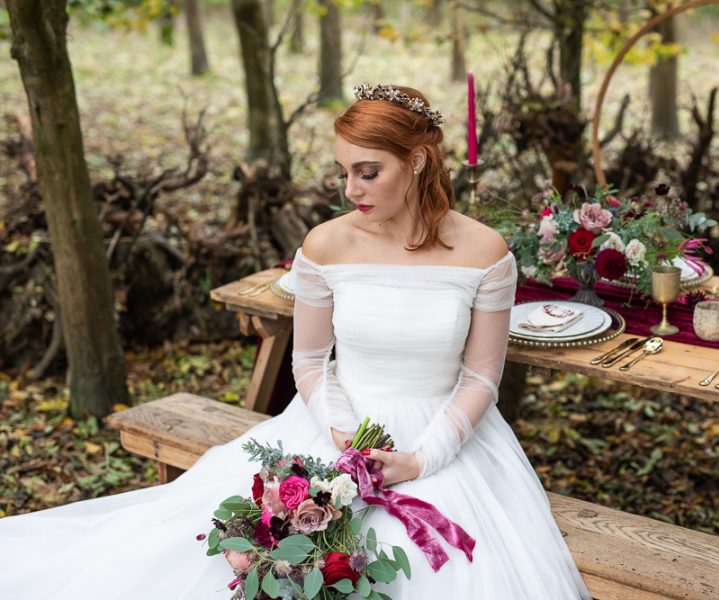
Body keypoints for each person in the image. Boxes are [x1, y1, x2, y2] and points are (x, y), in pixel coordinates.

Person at [0, 84, 590, 599]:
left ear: (416, 160)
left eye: (368, 171)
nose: (350, 188)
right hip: (332, 427)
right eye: (343, 172)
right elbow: (309, 360)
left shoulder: (484, 253)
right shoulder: (326, 245)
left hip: (449, 438)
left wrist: (419, 458)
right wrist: (340, 433)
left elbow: (481, 376)